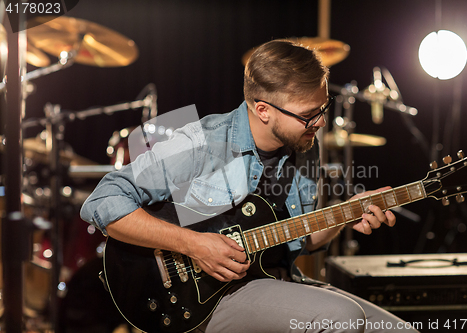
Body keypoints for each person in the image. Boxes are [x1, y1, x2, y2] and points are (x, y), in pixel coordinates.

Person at [81, 39, 419, 333]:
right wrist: (195, 244)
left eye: (323, 108)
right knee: (342, 318)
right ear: (263, 110)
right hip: (205, 298)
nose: (319, 122)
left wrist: (348, 213)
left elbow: (299, 240)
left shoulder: (305, 145)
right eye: (307, 115)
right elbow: (103, 201)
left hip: (278, 282)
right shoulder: (204, 141)